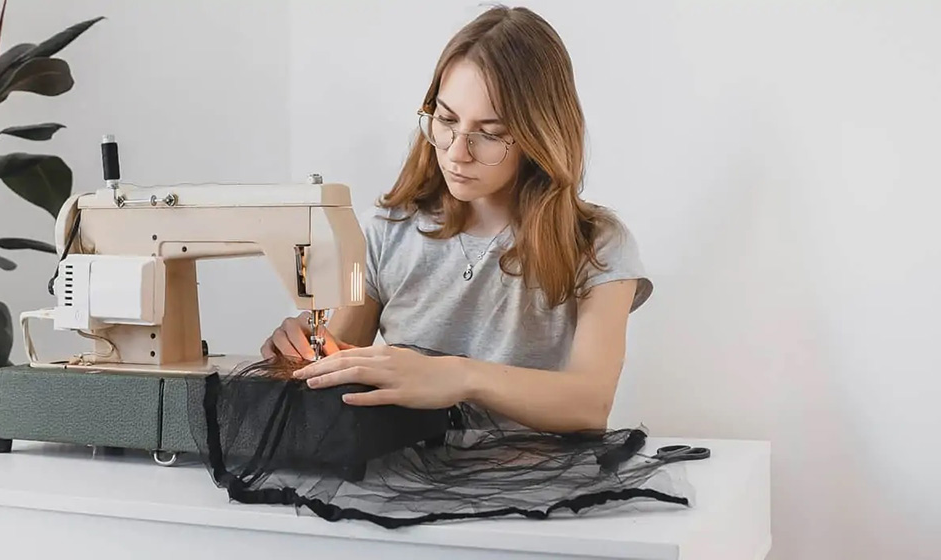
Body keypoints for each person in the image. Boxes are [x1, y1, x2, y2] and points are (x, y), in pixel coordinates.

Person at [260, 5, 653, 434]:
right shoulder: (389, 233)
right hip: (406, 474)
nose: (455, 152)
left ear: (540, 134)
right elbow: (338, 362)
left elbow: (589, 404)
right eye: (446, 120)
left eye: (489, 134)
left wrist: (459, 377)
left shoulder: (597, 246)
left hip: (527, 478)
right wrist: (299, 353)